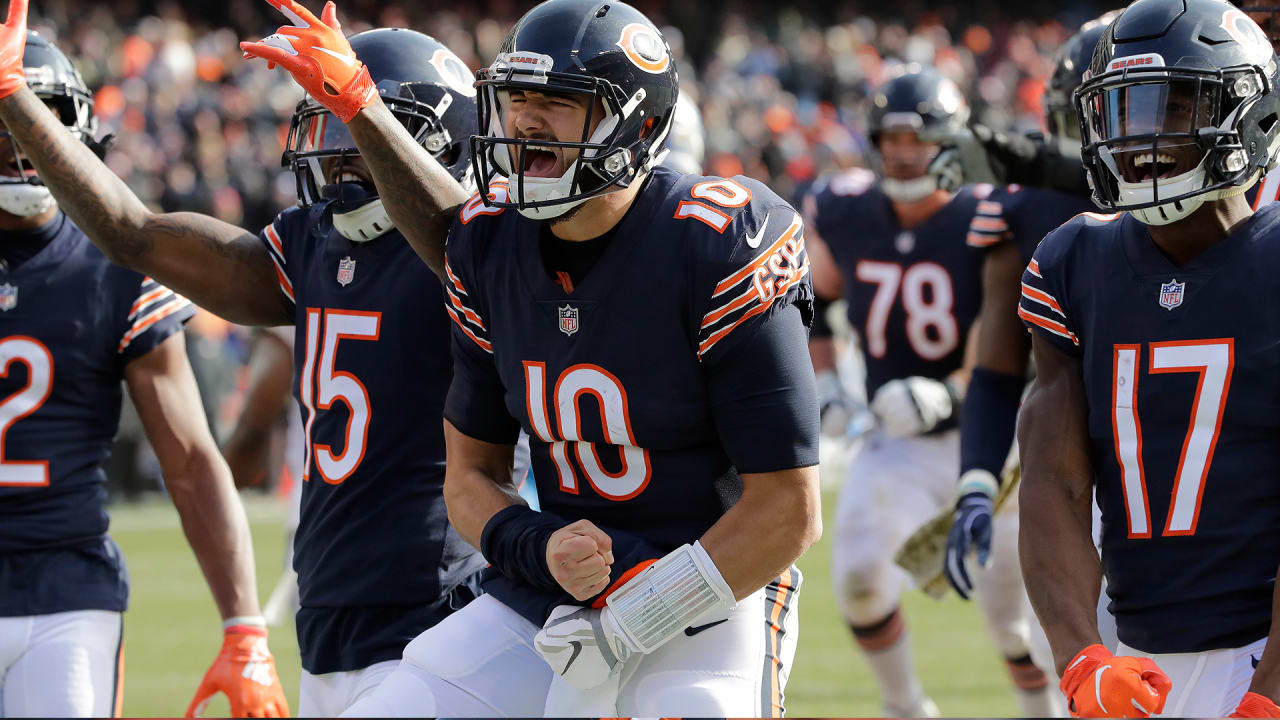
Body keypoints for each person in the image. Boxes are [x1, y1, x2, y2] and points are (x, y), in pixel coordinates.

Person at [240, 0, 822, 715]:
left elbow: (787, 511)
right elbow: (471, 478)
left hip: (714, 583)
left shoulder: (714, 241)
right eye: (514, 100)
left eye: (556, 102)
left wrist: (636, 619)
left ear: (634, 123)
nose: (524, 122)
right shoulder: (487, 245)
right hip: (558, 590)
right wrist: (536, 544)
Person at [0, 5, 488, 715]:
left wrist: (362, 106)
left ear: (436, 141)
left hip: (435, 605)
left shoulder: (479, 256)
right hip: (329, 612)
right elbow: (134, 233)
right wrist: (12, 95)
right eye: (328, 126)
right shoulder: (312, 242)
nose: (335, 149)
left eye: (356, 131)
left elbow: (461, 243)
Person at [0, 21, 287, 718]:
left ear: (83, 134)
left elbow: (190, 459)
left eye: (40, 125)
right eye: (3, 125)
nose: (20, 147)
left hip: (63, 593)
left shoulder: (115, 267)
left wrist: (245, 626)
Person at [1018, 0, 1280, 715]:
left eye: (1172, 108)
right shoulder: (1074, 260)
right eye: (1124, 111)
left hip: (1262, 650)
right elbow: (1053, 484)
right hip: (1136, 658)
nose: (1140, 139)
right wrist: (1080, 657)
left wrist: (1270, 694)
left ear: (1249, 113)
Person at [804, 66, 1057, 717]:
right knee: (858, 578)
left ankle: (1045, 713)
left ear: (950, 141)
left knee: (1015, 625)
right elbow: (810, 307)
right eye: (889, 138)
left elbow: (1012, 339)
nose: (900, 152)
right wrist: (828, 382)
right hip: (898, 440)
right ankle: (906, 708)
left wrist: (948, 391)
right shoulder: (845, 209)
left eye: (915, 138)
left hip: (992, 443)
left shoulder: (988, 210)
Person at [943, 14, 1116, 674]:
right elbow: (996, 368)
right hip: (1077, 469)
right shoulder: (1024, 208)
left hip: (1194, 471)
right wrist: (978, 482)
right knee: (1087, 676)